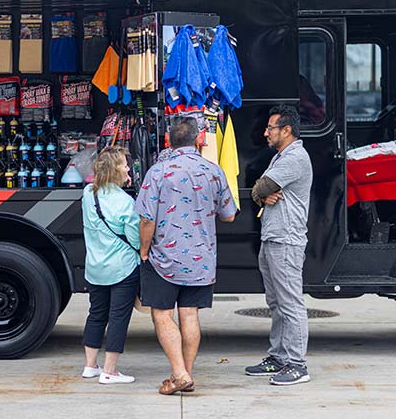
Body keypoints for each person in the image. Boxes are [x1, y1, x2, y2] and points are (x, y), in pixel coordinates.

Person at [135, 117, 237, 395]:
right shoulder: (214, 171)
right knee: (189, 315)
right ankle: (186, 374)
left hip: (164, 258)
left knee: (162, 315)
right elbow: (229, 215)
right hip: (201, 259)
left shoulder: (158, 172)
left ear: (168, 141)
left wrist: (144, 250)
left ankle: (179, 374)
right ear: (197, 140)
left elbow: (146, 219)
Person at [246, 105, 313, 385]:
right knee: (275, 302)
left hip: (286, 239)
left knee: (290, 303)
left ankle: (297, 365)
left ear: (287, 130)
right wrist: (262, 193)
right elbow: (259, 190)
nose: (265, 132)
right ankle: (278, 357)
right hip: (272, 237)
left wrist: (262, 192)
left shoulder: (294, 157)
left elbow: (261, 187)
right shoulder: (280, 156)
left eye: (271, 128)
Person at [80, 147, 141, 385]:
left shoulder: (87, 194)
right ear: (115, 170)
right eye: (125, 165)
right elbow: (134, 238)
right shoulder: (126, 202)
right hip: (122, 268)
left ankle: (90, 366)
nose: (128, 168)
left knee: (96, 314)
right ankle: (110, 371)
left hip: (95, 267)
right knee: (118, 317)